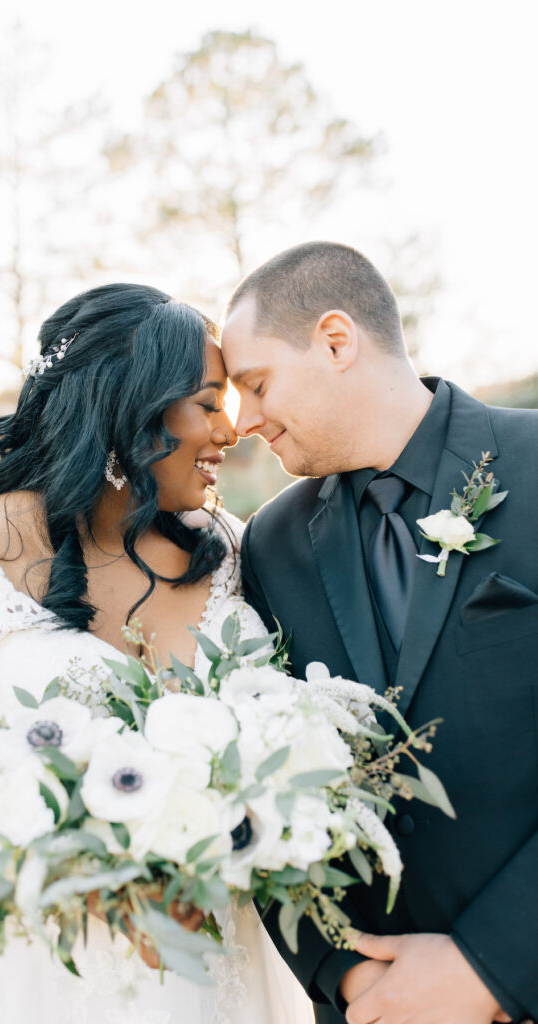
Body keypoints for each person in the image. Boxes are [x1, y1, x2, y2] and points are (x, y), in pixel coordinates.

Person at [0, 283, 314, 1024]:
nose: (230, 432)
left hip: (220, 973)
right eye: (206, 403)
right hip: (35, 981)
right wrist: (78, 877)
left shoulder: (229, 547)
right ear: (126, 408)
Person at [221, 242, 538, 1024]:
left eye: (255, 385)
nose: (244, 422)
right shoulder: (271, 543)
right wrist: (347, 974)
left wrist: (488, 968)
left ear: (336, 341)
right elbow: (257, 772)